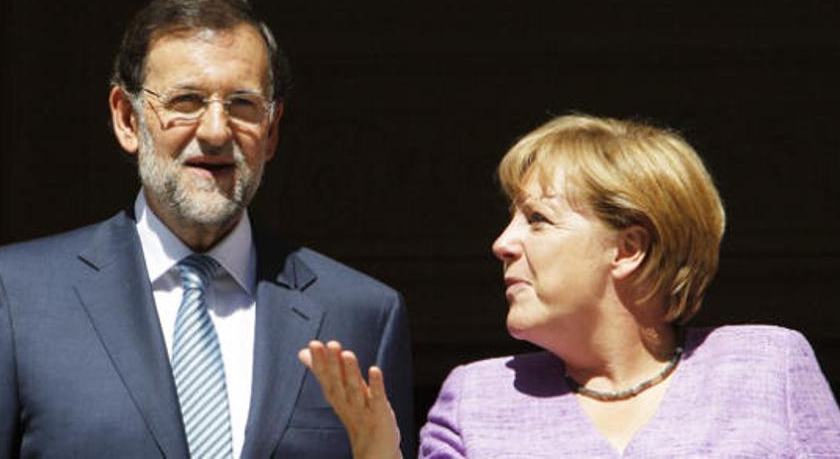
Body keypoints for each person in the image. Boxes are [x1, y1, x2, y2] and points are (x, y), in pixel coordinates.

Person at [0, 0, 415, 459]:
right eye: (186, 102)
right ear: (127, 120)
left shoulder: (361, 316)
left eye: (242, 104)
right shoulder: (20, 300)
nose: (216, 131)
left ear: (273, 129)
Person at [299, 114, 840, 457]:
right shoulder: (476, 398)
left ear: (628, 249)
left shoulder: (767, 367)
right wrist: (376, 451)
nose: (503, 243)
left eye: (537, 220)